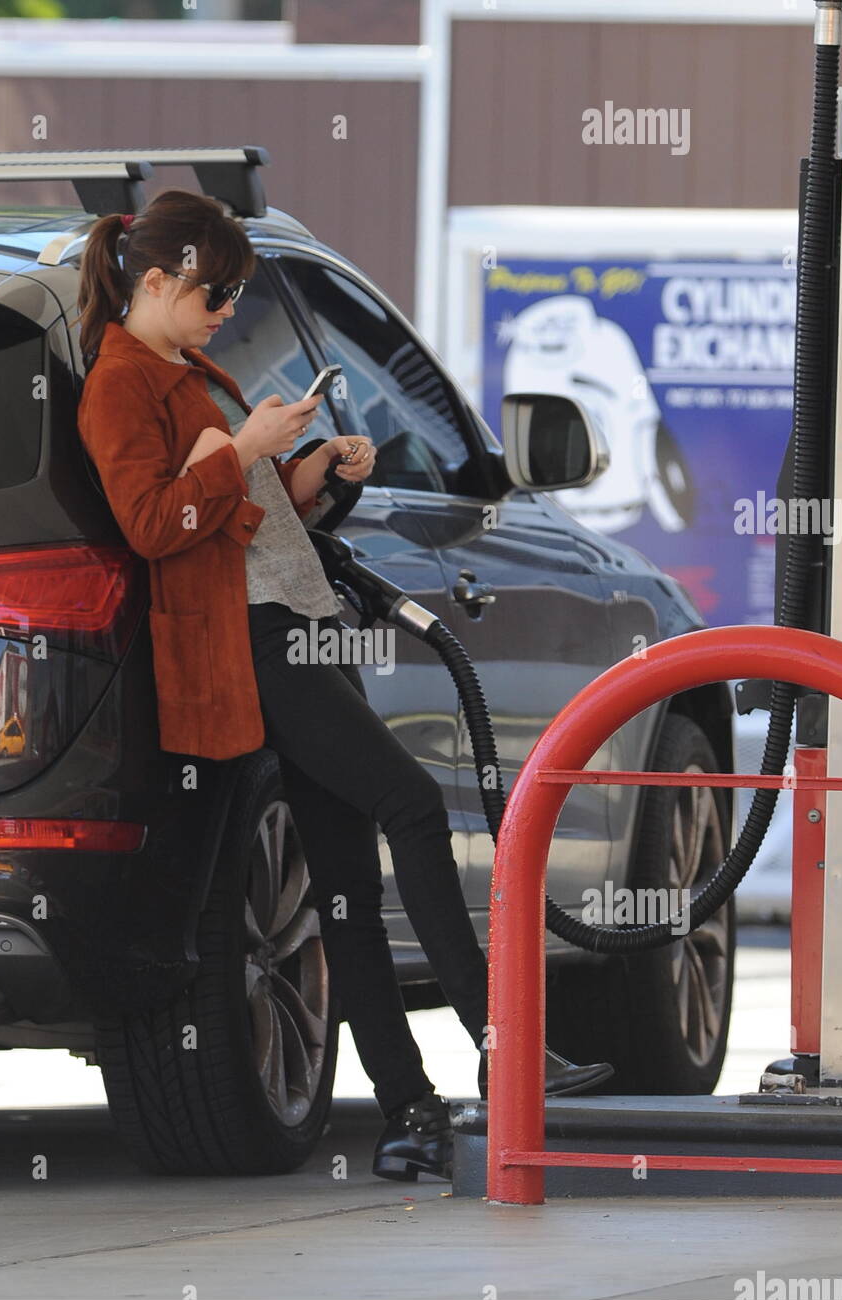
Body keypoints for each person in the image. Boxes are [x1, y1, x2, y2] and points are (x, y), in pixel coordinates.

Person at [75, 187, 612, 1183]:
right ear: (155, 281)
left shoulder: (181, 369)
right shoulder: (119, 383)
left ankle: (408, 1113)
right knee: (409, 804)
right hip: (248, 642)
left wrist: (314, 467)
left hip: (295, 623)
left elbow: (245, 511)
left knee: (347, 887)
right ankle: (506, 1055)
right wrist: (244, 450)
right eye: (213, 294)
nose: (226, 312)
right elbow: (152, 524)